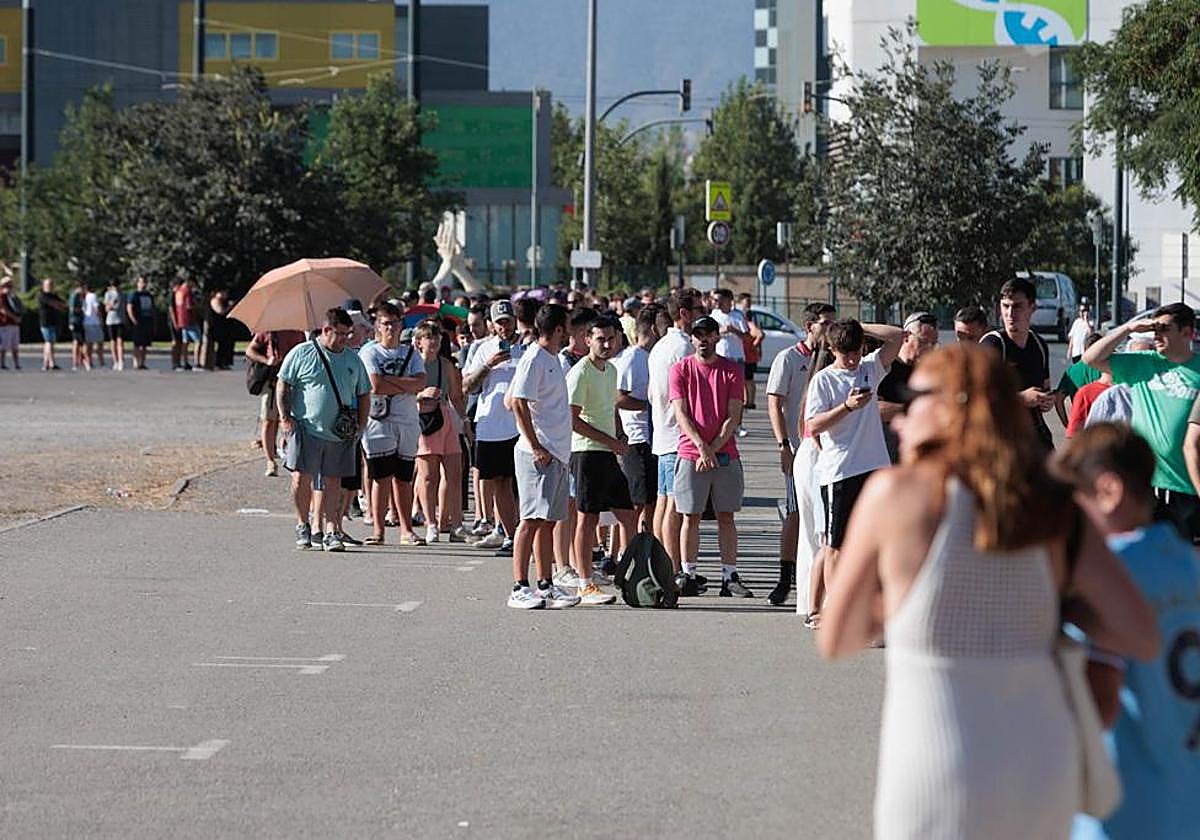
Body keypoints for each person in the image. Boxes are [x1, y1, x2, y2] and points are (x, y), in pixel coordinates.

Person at [819, 343, 1159, 840]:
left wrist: (901, 600)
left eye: (914, 401)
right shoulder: (1052, 506)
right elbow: (1140, 636)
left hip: (936, 769)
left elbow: (837, 637)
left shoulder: (897, 494)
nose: (899, 418)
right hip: (1042, 766)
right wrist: (1053, 608)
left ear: (956, 403)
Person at [1055, 423, 1200, 840]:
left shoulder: (1106, 577)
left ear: (1108, 491)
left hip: (1124, 808)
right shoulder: (1189, 563)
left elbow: (1097, 703)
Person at [803, 318, 905, 628]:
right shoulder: (824, 380)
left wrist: (858, 325)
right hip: (840, 471)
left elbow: (898, 336)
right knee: (836, 545)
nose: (851, 359)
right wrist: (847, 406)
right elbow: (813, 424)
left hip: (874, 467)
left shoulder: (869, 367)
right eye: (845, 352)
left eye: (856, 351)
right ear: (832, 349)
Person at [1084, 303, 1200, 543]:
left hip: (1187, 485)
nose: (1157, 335)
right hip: (1146, 482)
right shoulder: (1143, 363)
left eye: (1165, 328)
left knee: (1183, 562)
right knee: (1143, 558)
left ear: (1188, 333)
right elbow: (1091, 358)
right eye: (1154, 329)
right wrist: (1128, 328)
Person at [670, 315, 754, 597]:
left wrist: (713, 448)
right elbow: (681, 413)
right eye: (698, 334)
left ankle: (729, 576)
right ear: (691, 338)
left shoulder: (731, 370)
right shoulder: (680, 369)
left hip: (725, 454)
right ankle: (688, 573)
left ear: (717, 337)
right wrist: (702, 448)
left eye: (708, 334)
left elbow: (733, 416)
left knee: (726, 515)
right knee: (689, 516)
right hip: (690, 454)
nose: (703, 339)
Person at [506, 303, 582, 609]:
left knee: (548, 521)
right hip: (537, 454)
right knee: (530, 520)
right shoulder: (534, 358)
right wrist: (535, 445)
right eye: (569, 326)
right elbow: (518, 402)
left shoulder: (551, 358)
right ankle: (519, 586)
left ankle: (545, 584)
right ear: (560, 329)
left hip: (557, 453)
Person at [277, 308, 371, 553]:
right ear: (326, 329)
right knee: (301, 478)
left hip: (340, 431)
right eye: (340, 334)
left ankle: (331, 530)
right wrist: (286, 419)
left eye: (348, 334)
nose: (345, 339)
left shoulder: (352, 359)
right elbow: (283, 384)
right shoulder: (302, 353)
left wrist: (361, 425)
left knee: (333, 482)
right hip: (306, 426)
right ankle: (303, 524)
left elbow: (363, 393)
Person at [765, 302, 835, 606]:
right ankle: (785, 579)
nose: (831, 329)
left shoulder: (833, 358)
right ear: (809, 327)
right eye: (825, 323)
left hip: (828, 453)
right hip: (800, 450)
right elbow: (774, 403)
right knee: (795, 514)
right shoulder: (789, 358)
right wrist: (784, 445)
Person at [565, 316, 633, 605]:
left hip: (607, 451)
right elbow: (572, 419)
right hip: (586, 452)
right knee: (588, 518)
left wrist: (620, 432)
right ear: (586, 339)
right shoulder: (580, 372)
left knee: (628, 516)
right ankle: (584, 583)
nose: (606, 344)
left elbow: (610, 407)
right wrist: (610, 441)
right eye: (600, 339)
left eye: (610, 339)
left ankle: (630, 571)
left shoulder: (612, 370)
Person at [358, 302, 425, 546]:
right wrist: (404, 384)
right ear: (377, 326)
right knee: (381, 477)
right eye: (386, 324)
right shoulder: (370, 352)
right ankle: (378, 529)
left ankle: (407, 530)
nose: (391, 328)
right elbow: (375, 385)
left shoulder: (411, 353)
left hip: (407, 420)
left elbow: (420, 382)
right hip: (379, 420)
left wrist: (393, 382)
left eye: (395, 323)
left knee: (404, 477)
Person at [647, 288, 701, 584]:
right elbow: (690, 396)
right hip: (677, 435)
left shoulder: (660, 345)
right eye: (697, 308)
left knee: (664, 501)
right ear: (684, 313)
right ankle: (671, 567)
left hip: (663, 431)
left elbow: (652, 393)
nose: (701, 313)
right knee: (673, 505)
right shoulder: (682, 348)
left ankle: (666, 564)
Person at [462, 300, 524, 556]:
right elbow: (467, 386)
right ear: (491, 324)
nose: (503, 326)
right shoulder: (481, 349)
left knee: (519, 484)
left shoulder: (527, 348)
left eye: (507, 321)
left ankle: (522, 533)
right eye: (499, 322)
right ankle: (510, 534)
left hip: (520, 426)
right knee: (499, 482)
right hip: (490, 425)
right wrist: (488, 365)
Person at [981, 277, 1055, 451]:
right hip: (1000, 439)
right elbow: (977, 396)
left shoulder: (1039, 345)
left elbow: (1044, 386)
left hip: (1035, 437)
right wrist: (1021, 399)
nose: (1010, 314)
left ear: (1032, 308)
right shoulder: (992, 345)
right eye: (1005, 306)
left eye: (1017, 306)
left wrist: (1046, 400)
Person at [413, 319, 467, 544]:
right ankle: (431, 523)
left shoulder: (446, 365)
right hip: (423, 419)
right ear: (419, 342)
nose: (433, 342)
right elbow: (404, 393)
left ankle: (456, 525)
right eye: (428, 337)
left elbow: (455, 395)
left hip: (445, 417)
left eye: (436, 337)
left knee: (454, 473)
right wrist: (421, 394)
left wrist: (465, 420)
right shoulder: (413, 365)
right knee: (428, 476)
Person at [612, 305, 660, 535]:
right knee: (637, 501)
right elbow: (618, 398)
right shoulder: (632, 357)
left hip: (654, 439)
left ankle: (646, 543)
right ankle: (626, 551)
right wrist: (650, 407)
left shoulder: (654, 356)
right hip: (636, 439)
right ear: (653, 328)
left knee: (652, 500)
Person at [877, 312, 939, 462]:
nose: (929, 349)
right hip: (883, 450)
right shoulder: (882, 366)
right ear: (906, 337)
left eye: (933, 343)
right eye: (923, 342)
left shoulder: (926, 373)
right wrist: (911, 409)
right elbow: (872, 409)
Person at [246, 328, 306, 477]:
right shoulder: (268, 331)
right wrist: (267, 360)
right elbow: (250, 350)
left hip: (293, 381)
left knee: (288, 420)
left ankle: (287, 455)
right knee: (268, 421)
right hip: (272, 381)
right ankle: (270, 461)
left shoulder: (298, 332)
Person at [1085, 334, 1155, 429]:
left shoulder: (1167, 394)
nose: (1142, 364)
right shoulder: (1114, 397)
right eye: (1137, 359)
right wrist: (1127, 329)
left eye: (1150, 358)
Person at [737, 292, 765, 409]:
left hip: (749, 355)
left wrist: (753, 346)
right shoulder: (747, 320)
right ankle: (748, 400)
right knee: (746, 379)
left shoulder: (749, 323)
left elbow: (760, 334)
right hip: (747, 354)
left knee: (748, 379)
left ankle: (750, 401)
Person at [125, 277, 156, 370]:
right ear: (137, 283)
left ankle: (142, 363)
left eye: (145, 282)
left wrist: (154, 320)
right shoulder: (134, 294)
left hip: (147, 320)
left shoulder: (149, 295)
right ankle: (135, 363)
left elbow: (153, 309)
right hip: (138, 321)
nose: (143, 284)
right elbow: (129, 307)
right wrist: (133, 319)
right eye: (141, 282)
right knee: (137, 343)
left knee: (145, 344)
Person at [37, 278, 66, 371]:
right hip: (46, 322)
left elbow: (62, 304)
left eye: (51, 285)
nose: (50, 287)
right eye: (48, 285)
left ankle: (47, 363)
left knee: (50, 343)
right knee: (49, 342)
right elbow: (53, 304)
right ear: (44, 286)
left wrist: (60, 305)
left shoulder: (54, 295)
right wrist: (58, 305)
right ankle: (51, 363)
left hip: (54, 322)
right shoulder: (42, 295)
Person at [171, 277, 199, 371]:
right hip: (189, 319)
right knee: (198, 341)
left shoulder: (178, 292)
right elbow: (189, 306)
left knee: (185, 342)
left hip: (181, 320)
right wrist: (197, 305)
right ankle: (196, 363)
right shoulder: (187, 291)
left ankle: (185, 362)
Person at [103, 280, 127, 371]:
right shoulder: (108, 294)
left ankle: (121, 361)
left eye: (117, 286)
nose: (116, 288)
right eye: (113, 286)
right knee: (113, 341)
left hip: (120, 320)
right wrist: (112, 303)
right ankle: (115, 361)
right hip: (111, 320)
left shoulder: (123, 294)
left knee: (120, 341)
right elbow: (106, 309)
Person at [0, 276, 23, 370]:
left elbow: (18, 307)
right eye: (7, 285)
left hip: (14, 324)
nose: (10, 287)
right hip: (5, 323)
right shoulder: (1, 296)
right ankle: (2, 363)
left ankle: (16, 363)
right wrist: (15, 317)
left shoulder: (12, 296)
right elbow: (3, 309)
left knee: (15, 345)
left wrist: (18, 317)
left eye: (10, 285)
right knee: (4, 345)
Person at [82, 283, 106, 369]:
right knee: (99, 343)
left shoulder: (83, 297)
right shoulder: (93, 296)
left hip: (86, 322)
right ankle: (101, 363)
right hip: (94, 322)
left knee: (89, 344)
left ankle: (88, 361)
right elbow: (96, 309)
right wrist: (101, 320)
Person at [67, 281, 89, 370]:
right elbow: (72, 309)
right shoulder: (75, 296)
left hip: (80, 320)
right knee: (77, 341)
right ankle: (76, 362)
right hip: (75, 321)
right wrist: (82, 310)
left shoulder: (80, 296)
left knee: (80, 342)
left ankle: (80, 361)